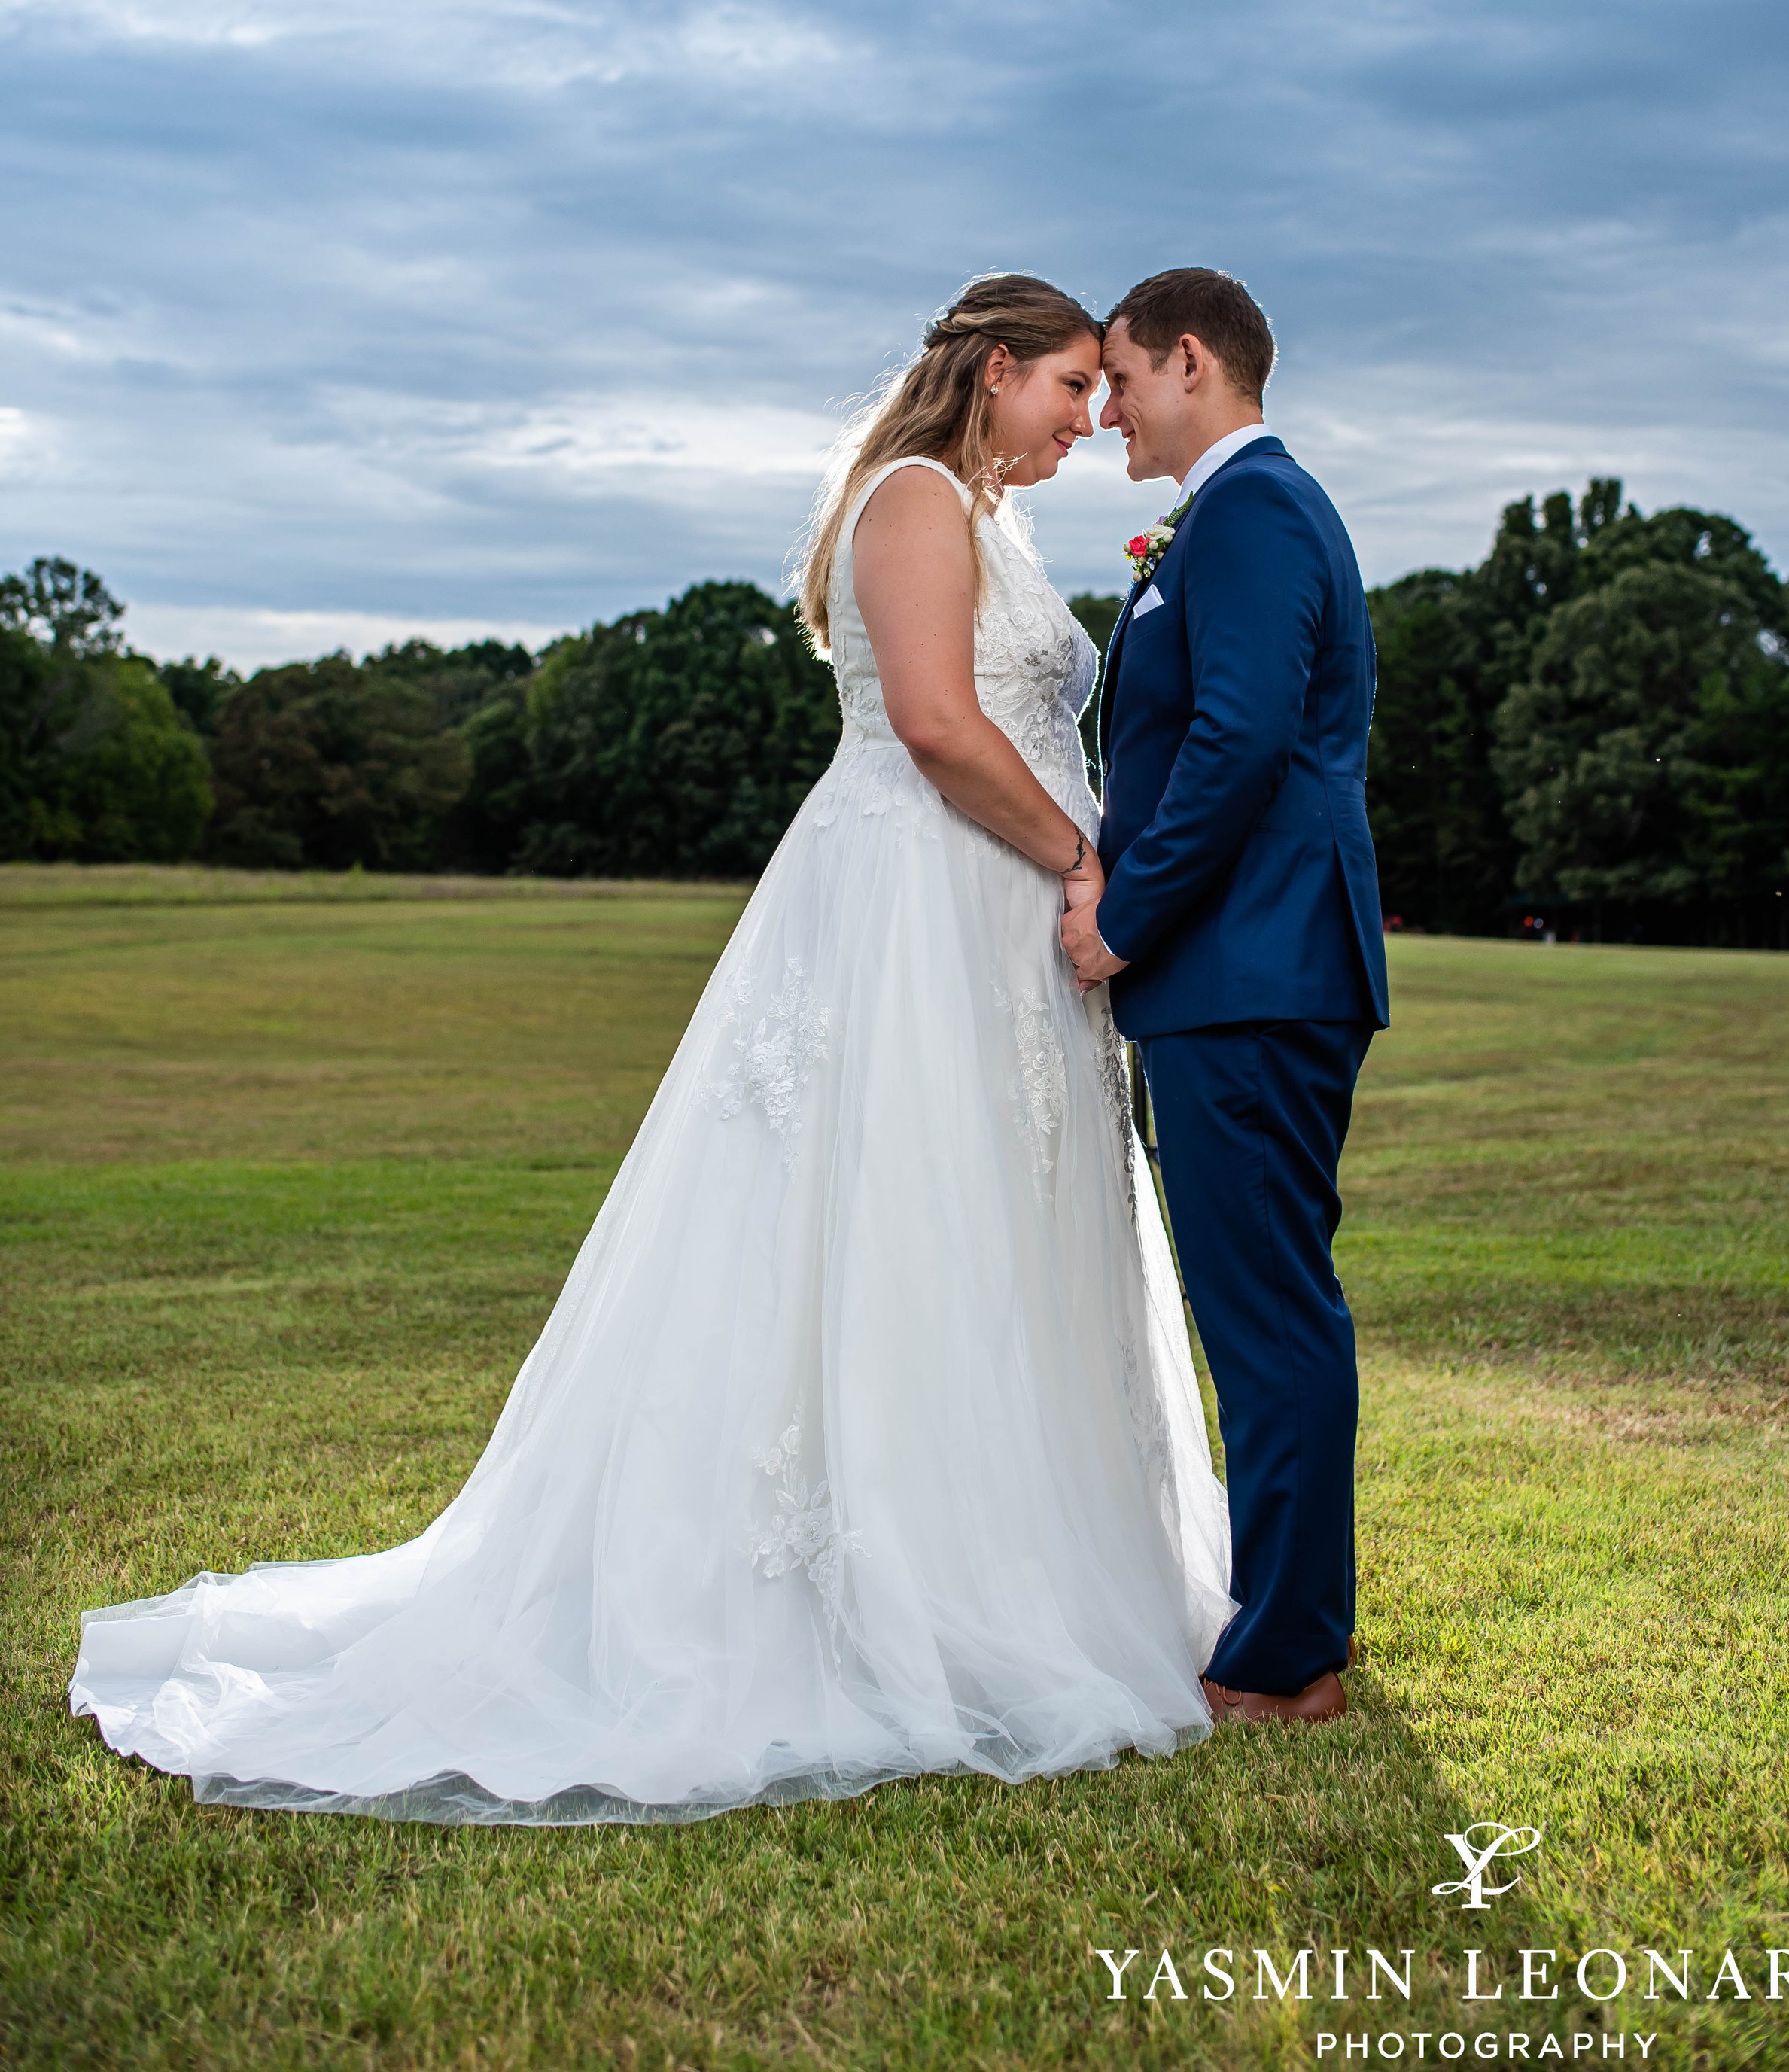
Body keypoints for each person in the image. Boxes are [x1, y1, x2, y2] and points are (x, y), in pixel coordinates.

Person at [71, 275, 1230, 1825]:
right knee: (889, 1217)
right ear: (995, 370)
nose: (1091, 418)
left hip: (989, 925)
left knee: (984, 1240)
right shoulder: (908, 500)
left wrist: (1071, 871)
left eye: (1102, 393)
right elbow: (945, 731)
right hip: (914, 905)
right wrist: (1081, 862)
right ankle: (878, 1584)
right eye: (1072, 387)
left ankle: (1012, 1558)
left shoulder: (986, 518)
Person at [1062, 267, 1389, 1726]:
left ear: (1189, 360)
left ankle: (1286, 1654)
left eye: (1120, 376)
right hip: (1257, 963)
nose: (1106, 406)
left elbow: (1239, 738)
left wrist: (1122, 918)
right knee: (1265, 1299)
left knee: (1263, 1308)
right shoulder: (1248, 510)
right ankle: (1291, 1621)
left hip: (1248, 965)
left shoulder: (1250, 511)